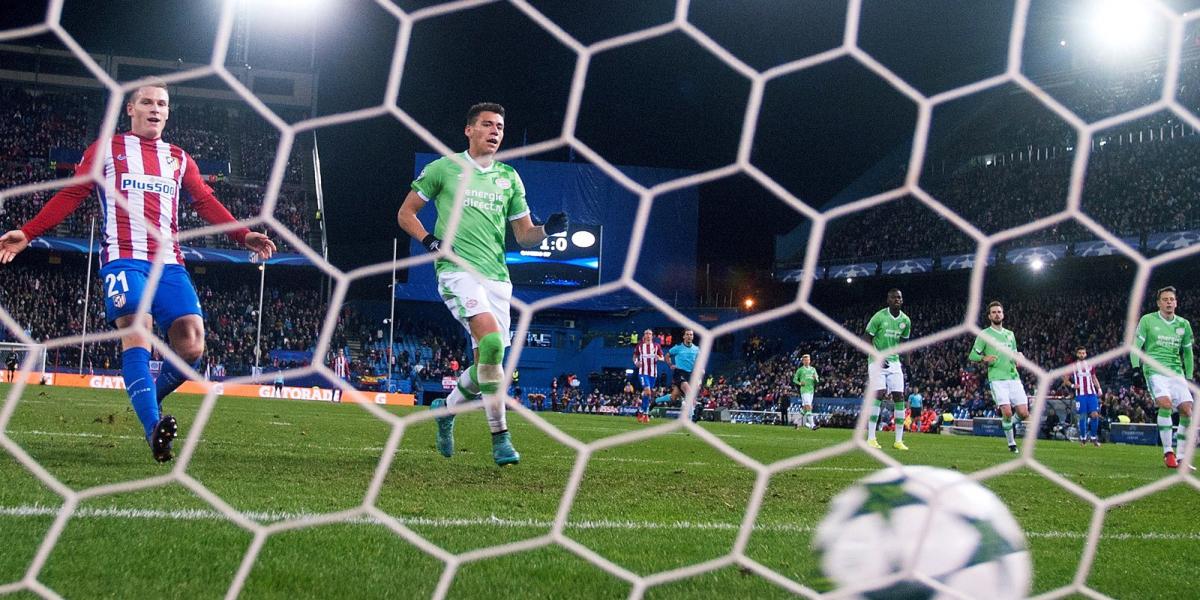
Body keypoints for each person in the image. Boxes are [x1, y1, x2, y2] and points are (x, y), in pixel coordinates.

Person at [0, 81, 276, 462]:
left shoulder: (179, 158)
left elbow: (207, 202)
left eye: (162, 103)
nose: (155, 108)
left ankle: (147, 396)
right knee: (138, 333)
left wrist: (243, 235)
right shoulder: (106, 150)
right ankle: (153, 428)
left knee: (193, 344)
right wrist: (28, 233)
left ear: (168, 111)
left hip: (169, 263)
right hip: (124, 258)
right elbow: (70, 195)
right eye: (146, 101)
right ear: (130, 109)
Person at [397, 102, 567, 466]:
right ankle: (501, 437)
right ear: (469, 130)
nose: (495, 132)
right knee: (491, 342)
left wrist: (547, 230)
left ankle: (446, 410)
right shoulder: (444, 168)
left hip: (497, 278)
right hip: (456, 271)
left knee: (489, 364)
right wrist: (429, 241)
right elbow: (405, 213)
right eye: (487, 125)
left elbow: (524, 237)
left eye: (500, 127)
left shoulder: (509, 178)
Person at [1130, 286, 1195, 469]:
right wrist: (1136, 368)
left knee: (1186, 410)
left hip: (1177, 373)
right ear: (1158, 303)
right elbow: (1136, 346)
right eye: (1165, 299)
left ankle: (1181, 456)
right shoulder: (1148, 320)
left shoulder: (1183, 324)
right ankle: (1168, 452)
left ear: (1176, 302)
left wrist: (1189, 376)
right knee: (1165, 404)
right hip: (1154, 370)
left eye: (1171, 299)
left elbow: (1188, 353)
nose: (1169, 302)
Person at [969, 300, 1029, 454]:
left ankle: (1007, 424)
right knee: (1007, 412)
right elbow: (972, 355)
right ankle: (1012, 444)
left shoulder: (1010, 335)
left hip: (1013, 377)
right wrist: (984, 358)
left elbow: (1014, 354)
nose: (997, 314)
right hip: (997, 379)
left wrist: (1018, 357)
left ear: (1003, 314)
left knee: (1024, 413)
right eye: (994, 312)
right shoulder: (984, 335)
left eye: (999, 312)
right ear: (989, 316)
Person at [865, 289, 911, 450]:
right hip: (876, 361)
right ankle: (871, 438)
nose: (897, 299)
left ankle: (898, 440)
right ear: (888, 300)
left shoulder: (905, 320)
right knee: (880, 393)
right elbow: (867, 338)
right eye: (894, 297)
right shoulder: (879, 317)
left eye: (899, 297)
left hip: (894, 362)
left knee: (899, 396)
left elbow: (904, 344)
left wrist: (909, 364)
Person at [1065, 346, 1102, 447]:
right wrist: (1073, 385)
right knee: (1083, 417)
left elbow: (1094, 377)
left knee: (1095, 415)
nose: (1082, 355)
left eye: (1083, 353)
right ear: (1077, 354)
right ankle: (1083, 438)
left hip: (1091, 394)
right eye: (1080, 353)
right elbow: (1065, 380)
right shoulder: (1072, 366)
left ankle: (1094, 438)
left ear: (1086, 354)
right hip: (1080, 395)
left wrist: (1099, 388)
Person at [632, 328, 664, 424]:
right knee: (647, 391)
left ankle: (642, 412)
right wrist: (636, 362)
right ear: (644, 335)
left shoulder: (656, 346)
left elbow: (662, 358)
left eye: (650, 333)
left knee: (648, 394)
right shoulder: (640, 346)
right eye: (646, 333)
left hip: (653, 374)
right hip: (643, 372)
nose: (648, 335)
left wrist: (659, 358)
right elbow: (634, 356)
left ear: (652, 336)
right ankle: (645, 413)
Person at [666, 329, 700, 417]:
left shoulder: (696, 349)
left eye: (691, 335)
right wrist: (670, 364)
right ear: (684, 336)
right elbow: (667, 355)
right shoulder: (677, 347)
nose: (689, 336)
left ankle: (655, 402)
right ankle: (693, 415)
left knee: (673, 397)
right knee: (688, 391)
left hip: (690, 374)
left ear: (693, 337)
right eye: (687, 334)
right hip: (679, 373)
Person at [792, 353, 820, 430]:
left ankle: (796, 421)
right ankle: (812, 425)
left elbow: (817, 381)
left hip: (811, 391)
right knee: (808, 407)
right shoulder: (800, 370)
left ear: (810, 361)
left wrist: (815, 379)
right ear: (803, 361)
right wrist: (800, 383)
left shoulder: (813, 369)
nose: (807, 361)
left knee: (805, 408)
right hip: (804, 391)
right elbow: (794, 379)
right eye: (805, 360)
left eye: (808, 360)